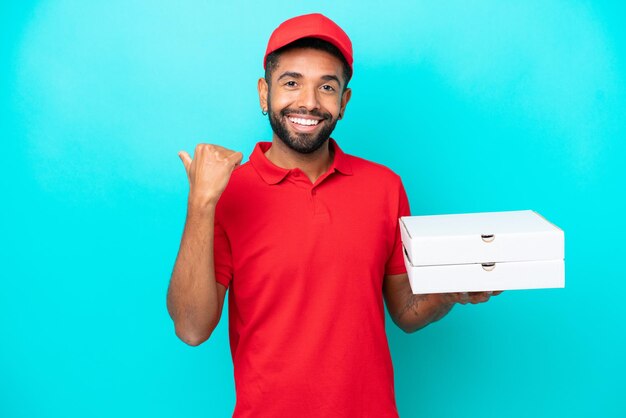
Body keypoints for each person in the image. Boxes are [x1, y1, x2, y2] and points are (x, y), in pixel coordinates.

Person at [167, 13, 500, 418]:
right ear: (263, 93)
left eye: (327, 87)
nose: (308, 102)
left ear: (343, 102)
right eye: (291, 82)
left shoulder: (385, 187)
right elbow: (191, 327)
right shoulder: (227, 192)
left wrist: (449, 291)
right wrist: (201, 203)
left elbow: (406, 312)